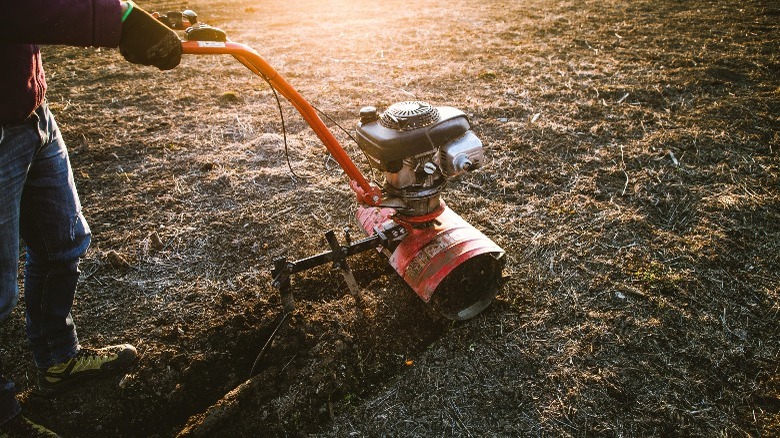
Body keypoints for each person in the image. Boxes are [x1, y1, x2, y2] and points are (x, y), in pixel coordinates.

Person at [0, 1, 182, 435]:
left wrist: (132, 15)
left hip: (30, 115)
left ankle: (59, 360)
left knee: (62, 243)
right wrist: (119, 20)